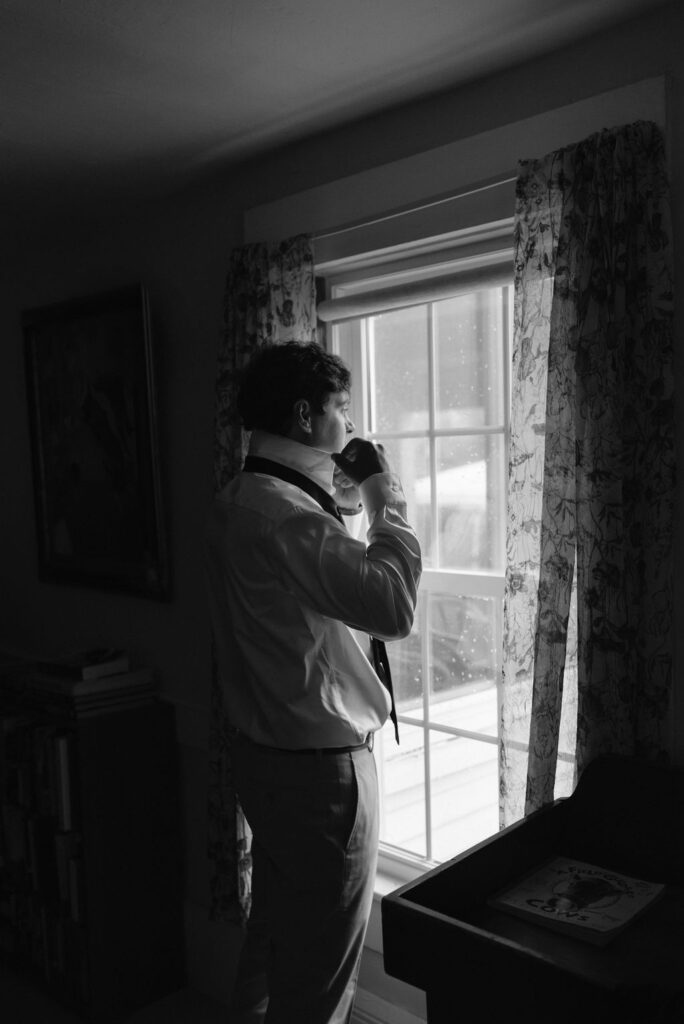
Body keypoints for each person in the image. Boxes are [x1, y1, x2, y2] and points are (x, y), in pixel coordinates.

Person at [204, 341, 422, 1023]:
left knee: (271, 942)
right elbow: (391, 607)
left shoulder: (240, 497)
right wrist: (389, 499)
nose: (351, 425)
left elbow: (304, 574)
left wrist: (347, 503)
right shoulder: (285, 516)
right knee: (320, 978)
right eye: (342, 410)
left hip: (260, 758)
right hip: (321, 778)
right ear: (305, 415)